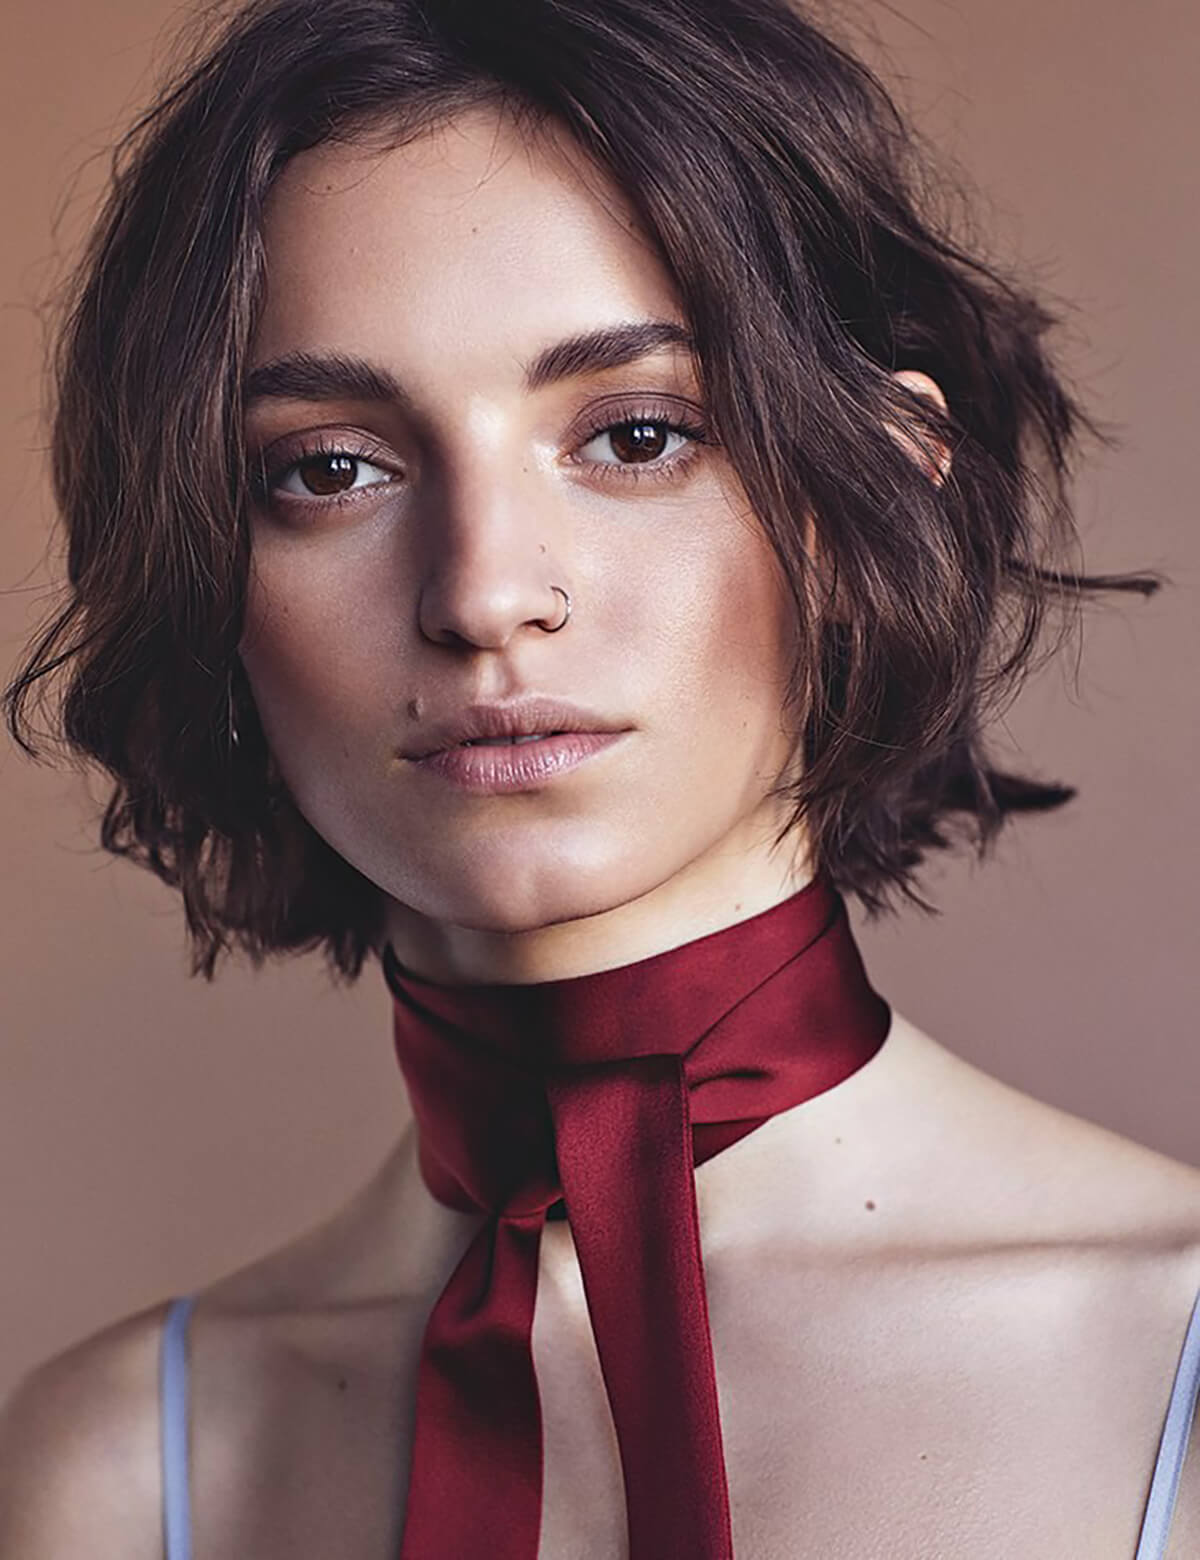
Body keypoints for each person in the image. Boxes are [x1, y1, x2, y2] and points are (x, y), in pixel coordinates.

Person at [0, 0, 1196, 1555]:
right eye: (330, 468)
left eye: (636, 435)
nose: (486, 594)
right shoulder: (115, 1472)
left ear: (877, 492)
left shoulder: (1171, 1353)